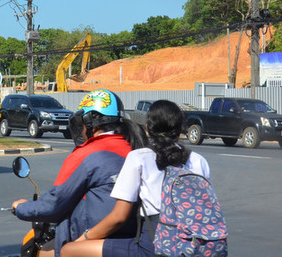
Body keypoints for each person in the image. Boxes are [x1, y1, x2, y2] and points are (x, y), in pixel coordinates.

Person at [60, 99, 211, 257]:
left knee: (68, 251)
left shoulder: (139, 158)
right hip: (196, 245)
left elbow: (118, 217)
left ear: (148, 128)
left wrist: (82, 238)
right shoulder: (198, 160)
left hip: (153, 247)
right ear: (180, 129)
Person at [12, 89, 146, 257]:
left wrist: (22, 208)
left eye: (82, 122)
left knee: (40, 252)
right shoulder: (134, 148)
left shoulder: (87, 154)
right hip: (133, 237)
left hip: (97, 238)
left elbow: (55, 203)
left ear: (91, 123)